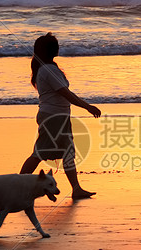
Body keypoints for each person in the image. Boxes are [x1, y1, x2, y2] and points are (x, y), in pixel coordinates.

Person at [19, 32, 101, 199]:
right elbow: (65, 92)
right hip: (53, 118)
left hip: (57, 116)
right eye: (54, 46)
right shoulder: (49, 69)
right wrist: (87, 107)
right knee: (40, 153)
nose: (57, 47)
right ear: (49, 50)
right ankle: (18, 185)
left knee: (67, 152)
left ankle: (76, 189)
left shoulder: (46, 68)